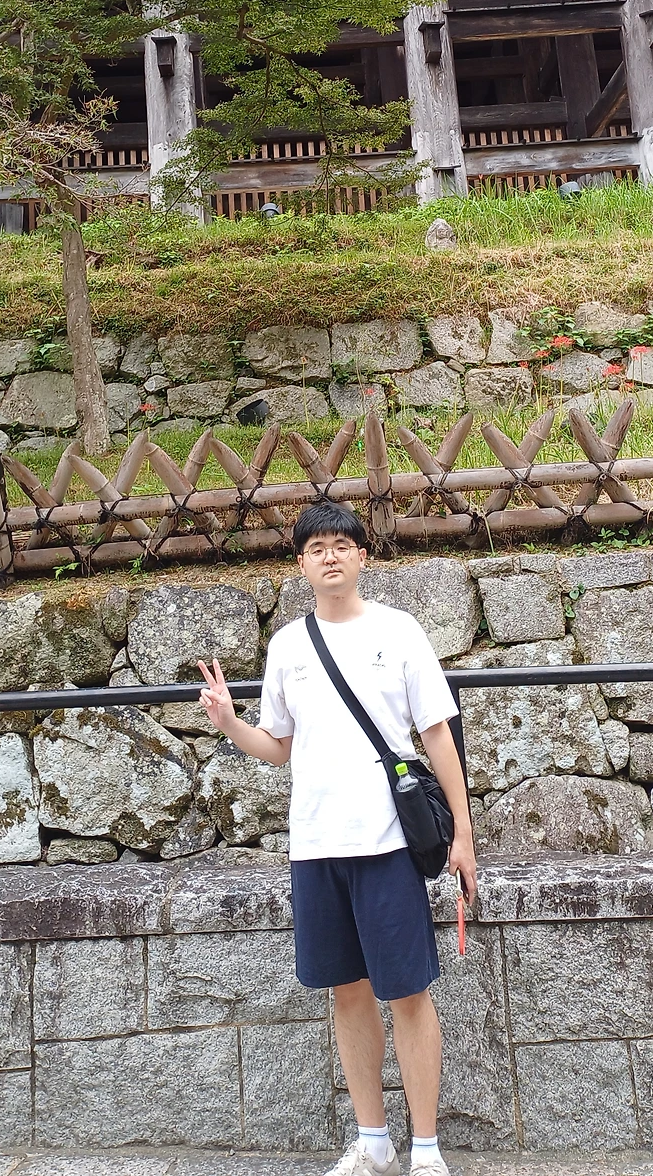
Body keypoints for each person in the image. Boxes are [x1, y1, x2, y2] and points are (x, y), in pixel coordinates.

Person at [198, 500, 476, 1176]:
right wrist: (230, 722)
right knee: (346, 991)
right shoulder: (288, 646)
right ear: (301, 563)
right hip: (316, 845)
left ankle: (427, 1148)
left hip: (387, 844)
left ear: (362, 557)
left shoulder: (399, 631)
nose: (330, 556)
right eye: (316, 547)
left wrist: (464, 833)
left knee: (407, 993)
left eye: (341, 545)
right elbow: (280, 747)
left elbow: (437, 733)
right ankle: (373, 1140)